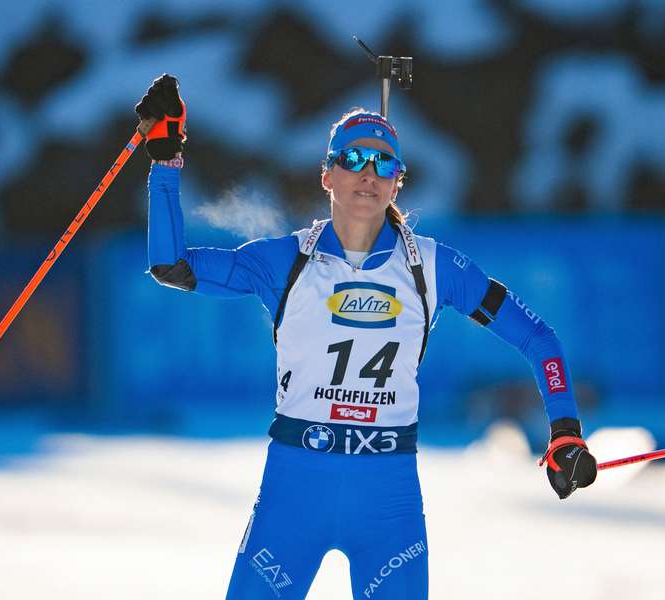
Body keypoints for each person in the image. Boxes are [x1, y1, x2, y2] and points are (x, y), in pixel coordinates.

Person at [137, 74, 597, 600]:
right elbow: (170, 266)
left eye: (384, 164)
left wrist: (565, 429)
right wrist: (166, 159)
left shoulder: (432, 266)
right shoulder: (285, 260)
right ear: (327, 175)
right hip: (295, 486)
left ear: (399, 181)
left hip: (387, 498)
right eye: (353, 160)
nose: (368, 174)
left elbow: (539, 338)